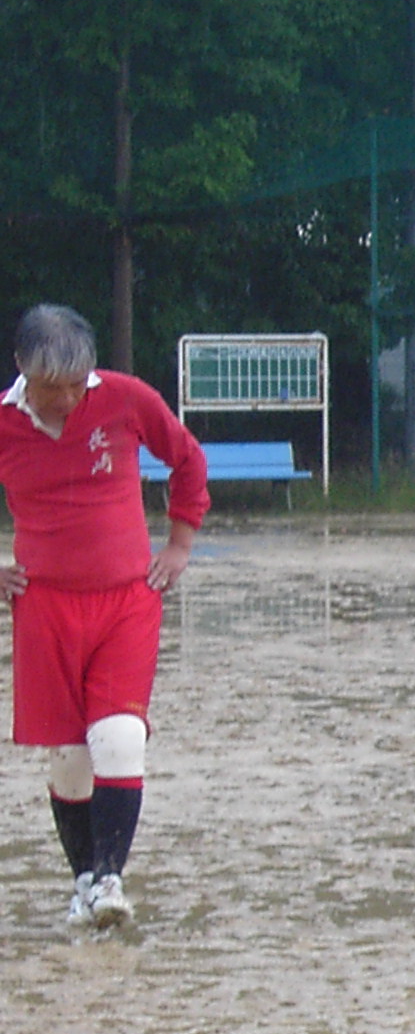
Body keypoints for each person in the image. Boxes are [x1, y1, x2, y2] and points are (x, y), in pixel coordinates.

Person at [0, 305, 209, 931]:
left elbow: (188, 458)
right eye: (52, 386)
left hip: (125, 598)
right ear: (21, 371)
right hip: (44, 606)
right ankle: (85, 882)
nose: (67, 398)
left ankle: (113, 879)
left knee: (119, 736)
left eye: (75, 384)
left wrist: (178, 545)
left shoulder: (124, 398)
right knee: (68, 757)